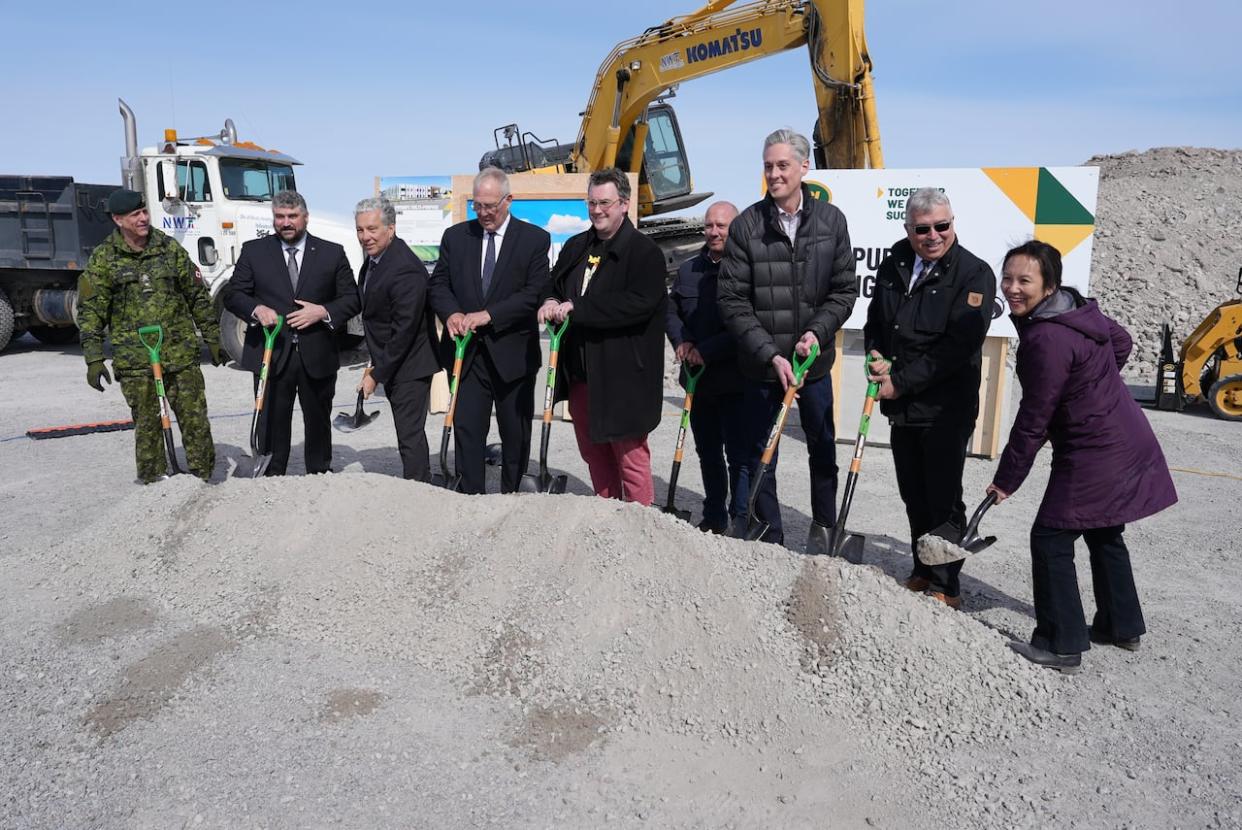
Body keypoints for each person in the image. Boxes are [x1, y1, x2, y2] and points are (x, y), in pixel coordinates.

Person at [987, 240, 1177, 673]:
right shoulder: (1077, 309)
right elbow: (1121, 341)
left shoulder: (1046, 338)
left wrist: (1006, 480)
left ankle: (1061, 642)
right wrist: (1094, 386)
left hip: (1096, 450)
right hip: (1126, 435)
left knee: (1050, 538)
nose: (1013, 288)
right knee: (1104, 531)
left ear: (1049, 284)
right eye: (1009, 278)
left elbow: (1034, 418)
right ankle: (1120, 625)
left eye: (1025, 281)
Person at [717, 128, 857, 550]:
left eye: (782, 165)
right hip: (763, 368)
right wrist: (769, 355)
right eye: (768, 166)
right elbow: (732, 301)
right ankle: (770, 535)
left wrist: (816, 332)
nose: (774, 174)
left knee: (823, 448)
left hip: (813, 365)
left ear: (803, 167)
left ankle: (825, 530)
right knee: (763, 452)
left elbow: (844, 289)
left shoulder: (832, 222)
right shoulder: (746, 226)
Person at [863, 188, 996, 609]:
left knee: (942, 495)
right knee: (913, 492)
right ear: (909, 229)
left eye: (943, 226)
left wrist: (899, 382)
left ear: (953, 223)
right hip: (904, 408)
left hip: (945, 408)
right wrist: (875, 353)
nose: (934, 236)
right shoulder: (897, 260)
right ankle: (922, 569)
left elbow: (956, 349)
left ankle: (946, 584)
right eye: (923, 229)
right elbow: (876, 320)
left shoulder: (974, 274)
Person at [77, 188, 225, 484]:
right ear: (118, 219)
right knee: (147, 425)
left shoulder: (168, 249)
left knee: (195, 420)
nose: (144, 218)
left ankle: (203, 479)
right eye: (135, 215)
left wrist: (212, 336)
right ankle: (153, 485)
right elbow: (91, 312)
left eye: (144, 212)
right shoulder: (104, 259)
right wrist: (94, 358)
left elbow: (196, 295)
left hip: (179, 353)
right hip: (135, 360)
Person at [538, 167, 666, 505]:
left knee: (630, 458)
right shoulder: (577, 246)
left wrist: (578, 309)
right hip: (582, 374)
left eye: (604, 203)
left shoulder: (644, 253)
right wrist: (550, 300)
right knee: (594, 452)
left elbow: (637, 304)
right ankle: (605, 518)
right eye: (591, 203)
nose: (597, 210)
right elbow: (555, 282)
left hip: (624, 376)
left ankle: (640, 526)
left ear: (624, 204)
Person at [428, 168, 551, 493]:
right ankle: (471, 497)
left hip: (513, 354)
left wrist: (489, 315)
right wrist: (451, 312)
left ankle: (511, 496)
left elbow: (533, 293)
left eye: (490, 206)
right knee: (468, 428)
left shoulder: (534, 240)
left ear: (508, 201)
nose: (483, 213)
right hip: (466, 353)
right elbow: (438, 284)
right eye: (477, 206)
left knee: (515, 431)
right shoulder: (456, 237)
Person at [224, 190, 360, 475]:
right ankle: (272, 478)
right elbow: (234, 294)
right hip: (272, 354)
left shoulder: (331, 253)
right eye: (280, 217)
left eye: (292, 216)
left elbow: (352, 299)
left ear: (305, 217)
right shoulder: (254, 251)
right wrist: (256, 309)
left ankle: (319, 475)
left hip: (317, 353)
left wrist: (322, 311)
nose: (286, 223)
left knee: (318, 422)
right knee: (271, 421)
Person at [666, 200, 748, 533]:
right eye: (710, 225)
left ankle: (742, 518)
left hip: (735, 379)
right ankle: (714, 516)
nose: (714, 232)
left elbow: (747, 323)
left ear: (736, 229)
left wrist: (707, 350)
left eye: (722, 226)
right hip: (698, 383)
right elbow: (670, 310)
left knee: (739, 456)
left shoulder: (747, 269)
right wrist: (681, 340)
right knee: (707, 452)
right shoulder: (688, 269)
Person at [355, 196, 441, 481]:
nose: (365, 237)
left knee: (409, 433)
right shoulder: (374, 261)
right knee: (407, 431)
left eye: (372, 229)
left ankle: (418, 490)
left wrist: (376, 374)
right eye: (360, 230)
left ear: (390, 228)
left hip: (411, 364)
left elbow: (403, 330)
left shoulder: (404, 268)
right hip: (394, 360)